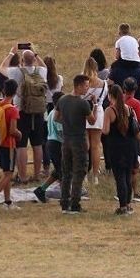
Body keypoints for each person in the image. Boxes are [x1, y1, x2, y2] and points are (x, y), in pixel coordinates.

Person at [0, 48, 47, 182]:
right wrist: (35, 52)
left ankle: (23, 176)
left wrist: (11, 53)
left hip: (22, 111)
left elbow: (2, 68)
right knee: (37, 145)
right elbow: (44, 66)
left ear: (21, 60)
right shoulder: (41, 71)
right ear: (34, 60)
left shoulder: (16, 72)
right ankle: (37, 175)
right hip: (38, 112)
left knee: (21, 145)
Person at [102, 84, 140, 214]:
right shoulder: (129, 109)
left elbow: (105, 131)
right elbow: (136, 130)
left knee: (120, 178)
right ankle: (128, 204)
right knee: (128, 176)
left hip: (116, 148)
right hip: (130, 147)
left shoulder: (110, 111)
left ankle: (122, 206)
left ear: (110, 96)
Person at [58, 75, 95, 214]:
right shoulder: (83, 103)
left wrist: (67, 122)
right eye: (86, 85)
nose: (87, 88)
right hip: (79, 140)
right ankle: (75, 203)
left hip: (66, 140)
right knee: (79, 172)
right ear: (78, 86)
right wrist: (95, 106)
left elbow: (56, 117)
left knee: (66, 172)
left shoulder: (62, 100)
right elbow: (92, 121)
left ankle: (64, 202)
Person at [0, 80, 21, 207]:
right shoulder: (12, 110)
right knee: (9, 174)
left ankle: (8, 200)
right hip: (9, 144)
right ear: (16, 91)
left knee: (5, 172)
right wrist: (19, 134)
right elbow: (12, 130)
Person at [31, 86, 65, 204]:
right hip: (57, 144)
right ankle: (65, 195)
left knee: (58, 171)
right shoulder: (59, 114)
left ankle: (41, 189)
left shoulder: (51, 112)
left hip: (50, 142)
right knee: (63, 171)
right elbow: (61, 132)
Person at [81, 59, 107, 181]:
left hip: (83, 113)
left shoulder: (82, 83)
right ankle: (95, 175)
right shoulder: (103, 83)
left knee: (85, 145)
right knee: (96, 146)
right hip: (98, 113)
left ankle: (84, 173)